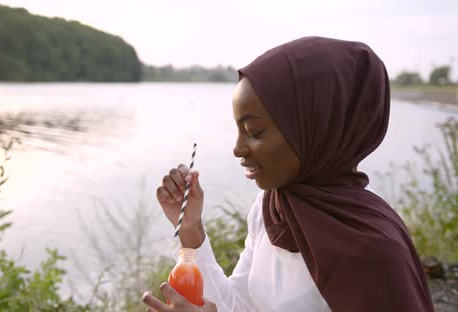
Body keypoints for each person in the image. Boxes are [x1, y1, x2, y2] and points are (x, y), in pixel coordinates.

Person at [141, 37, 435, 312]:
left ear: (316, 127)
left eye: (254, 132)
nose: (238, 149)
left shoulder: (374, 253)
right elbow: (241, 305)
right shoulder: (272, 208)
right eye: (238, 131)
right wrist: (191, 230)